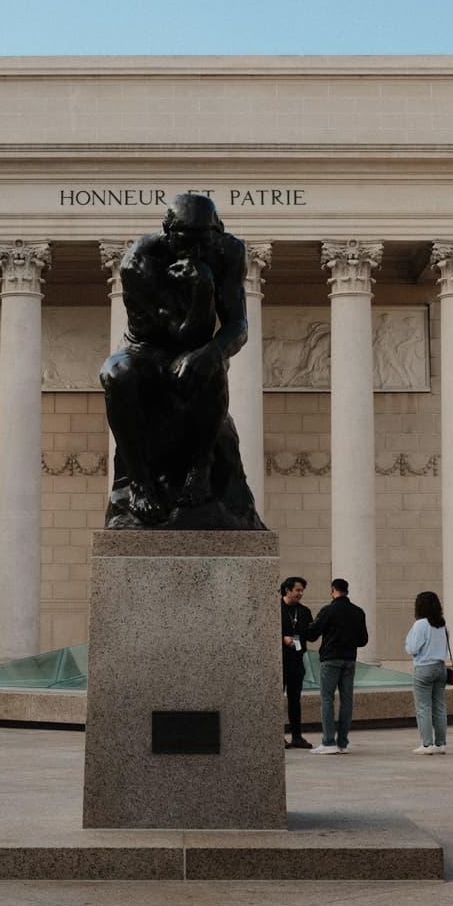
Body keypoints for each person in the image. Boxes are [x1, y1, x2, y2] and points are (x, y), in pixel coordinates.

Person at [100, 193, 263, 530]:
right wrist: (203, 290)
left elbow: (238, 326)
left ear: (218, 232)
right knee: (116, 374)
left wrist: (213, 351)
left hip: (192, 346)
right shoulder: (139, 261)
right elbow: (180, 334)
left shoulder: (229, 251)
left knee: (209, 363)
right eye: (185, 242)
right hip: (145, 351)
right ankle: (139, 482)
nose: (195, 252)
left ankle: (200, 469)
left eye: (204, 241)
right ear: (167, 232)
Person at [306, 577, 368, 755]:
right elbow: (363, 640)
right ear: (347, 591)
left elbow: (312, 634)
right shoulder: (358, 611)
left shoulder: (329, 610)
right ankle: (342, 743)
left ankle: (328, 742)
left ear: (333, 590)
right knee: (347, 700)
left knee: (327, 699)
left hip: (331, 659)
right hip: (349, 659)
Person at [404, 591, 451, 755]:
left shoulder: (420, 624)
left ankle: (426, 744)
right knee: (440, 706)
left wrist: (408, 644)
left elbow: (413, 648)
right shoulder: (442, 624)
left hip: (424, 667)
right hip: (440, 667)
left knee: (423, 707)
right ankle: (441, 743)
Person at [280, 576, 314, 750]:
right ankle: (277, 736)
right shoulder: (275, 608)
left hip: (297, 661)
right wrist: (282, 639)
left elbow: (311, 634)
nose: (300, 593)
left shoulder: (304, 611)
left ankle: (297, 736)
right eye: (297, 590)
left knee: (295, 700)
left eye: (302, 591)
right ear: (288, 590)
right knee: (276, 700)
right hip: (279, 662)